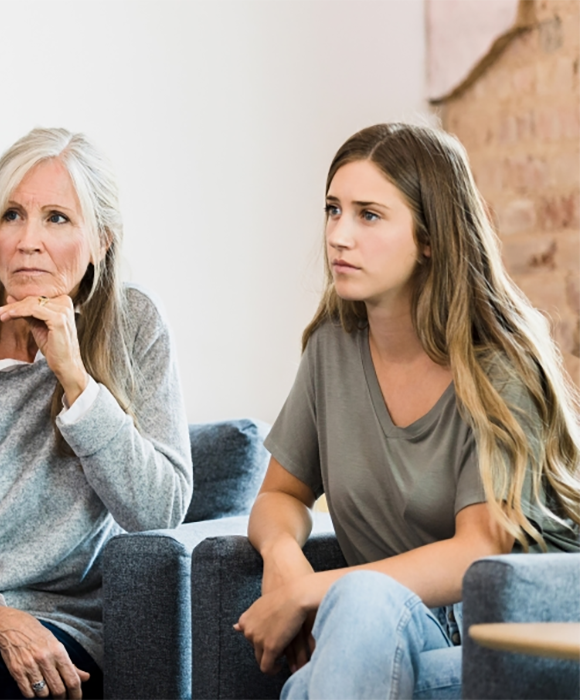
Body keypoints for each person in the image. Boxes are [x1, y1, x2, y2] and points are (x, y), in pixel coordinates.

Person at [235, 123, 580, 699]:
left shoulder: (499, 365)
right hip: (379, 630)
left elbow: (479, 548)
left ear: (429, 237)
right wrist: (284, 557)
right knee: (356, 619)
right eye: (333, 210)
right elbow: (279, 496)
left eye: (369, 215)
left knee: (320, 669)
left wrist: (311, 593)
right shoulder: (331, 351)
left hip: (508, 641)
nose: (339, 236)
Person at [0, 126, 194, 700]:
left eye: (56, 218)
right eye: (12, 215)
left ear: (102, 241)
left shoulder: (136, 327)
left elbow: (159, 511)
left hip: (72, 635)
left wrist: (76, 379)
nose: (28, 240)